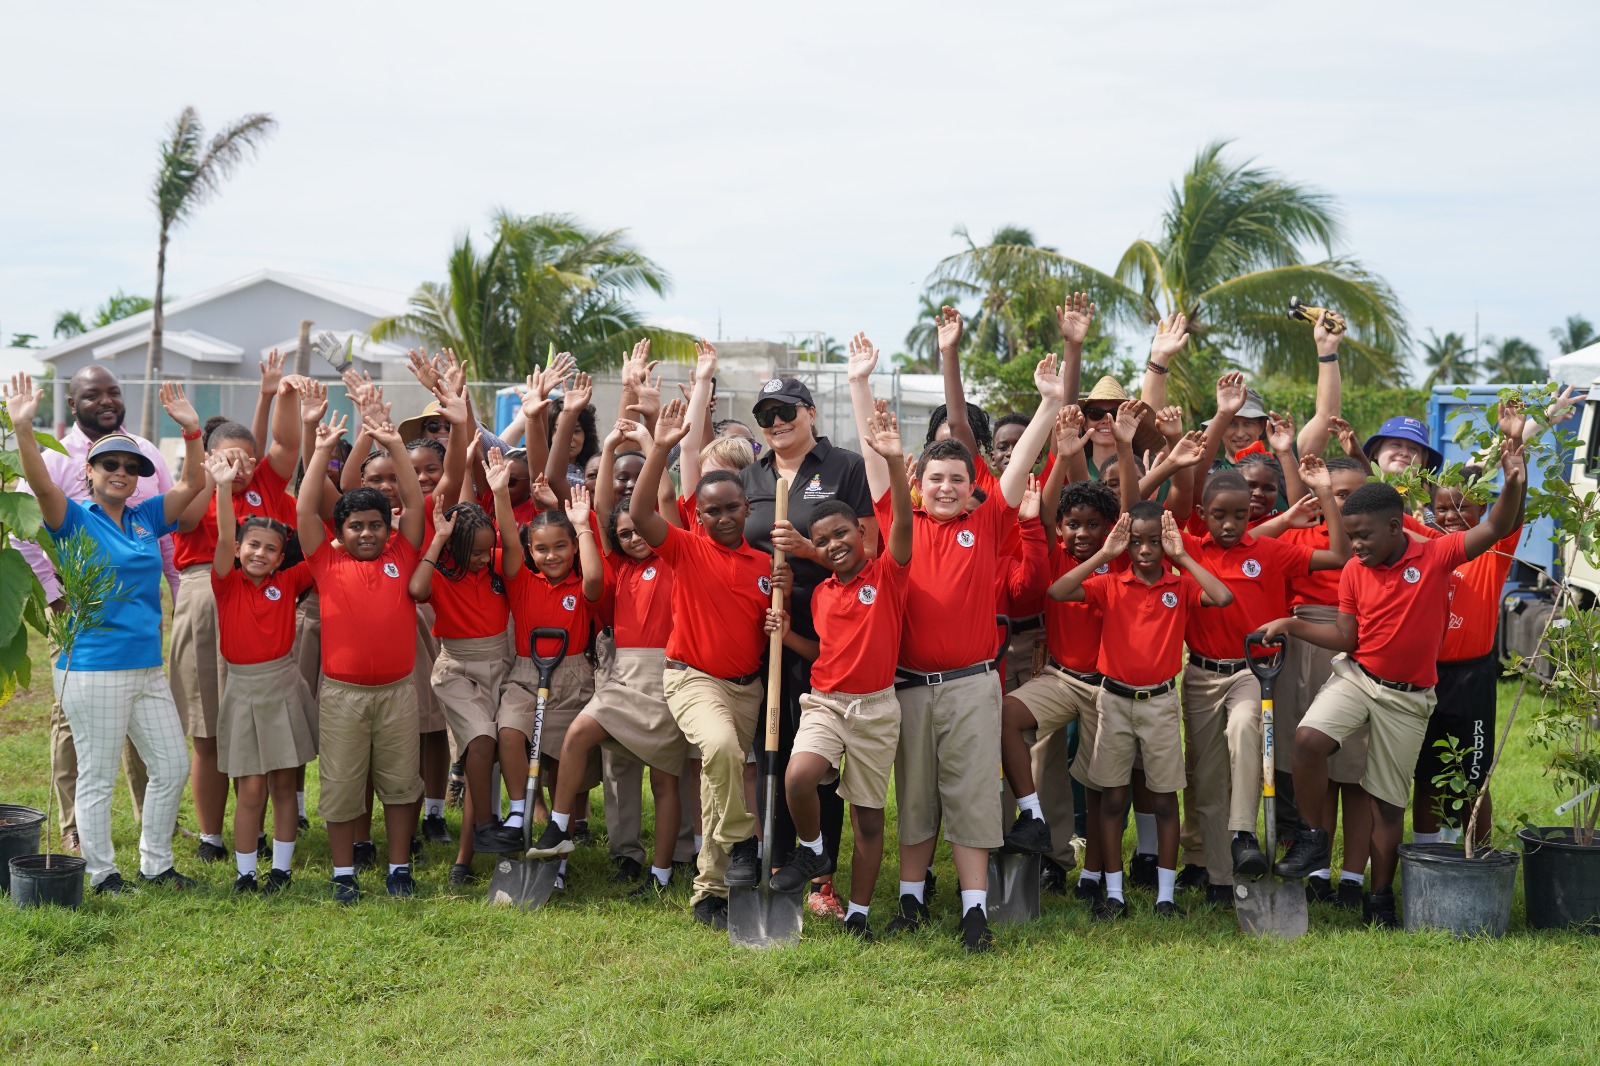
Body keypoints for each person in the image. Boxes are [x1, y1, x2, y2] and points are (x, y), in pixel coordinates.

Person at [1267, 437, 1526, 929]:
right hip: (1358, 677)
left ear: (1394, 526)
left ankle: (1381, 897)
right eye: (1349, 536)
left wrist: (1514, 480)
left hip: (1408, 700)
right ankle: (1312, 836)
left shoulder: (1436, 555)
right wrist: (1292, 624)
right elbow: (1346, 635)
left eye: (1362, 536)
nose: (1355, 546)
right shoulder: (1354, 572)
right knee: (1307, 739)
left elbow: (1494, 525)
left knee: (1388, 805)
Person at [868, 347, 1061, 953]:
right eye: (935, 480)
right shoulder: (901, 527)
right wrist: (857, 381)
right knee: (917, 796)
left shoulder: (988, 526)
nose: (947, 487)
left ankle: (975, 912)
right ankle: (910, 899)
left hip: (975, 683)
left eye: (957, 480)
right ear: (918, 488)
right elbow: (882, 474)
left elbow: (1019, 461)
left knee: (973, 794)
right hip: (910, 684)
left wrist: (1051, 403)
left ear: (970, 488)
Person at [4, 373, 210, 894]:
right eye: (110, 464)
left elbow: (192, 487)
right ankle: (101, 872)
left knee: (171, 764)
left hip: (146, 666)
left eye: (130, 467)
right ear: (90, 471)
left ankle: (155, 863)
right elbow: (41, 483)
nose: (121, 472)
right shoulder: (72, 517)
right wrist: (23, 429)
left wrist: (191, 433)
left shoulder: (144, 518)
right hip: (93, 666)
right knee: (97, 777)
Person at [629, 398, 785, 930]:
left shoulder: (767, 565)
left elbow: (768, 626)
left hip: (749, 688)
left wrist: (777, 616)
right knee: (718, 751)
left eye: (731, 509)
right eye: (711, 510)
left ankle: (710, 891)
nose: (721, 518)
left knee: (720, 784)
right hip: (693, 679)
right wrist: (662, 449)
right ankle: (743, 839)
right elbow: (641, 513)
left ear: (748, 510)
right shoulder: (685, 549)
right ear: (699, 514)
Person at [764, 403, 912, 941]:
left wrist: (894, 463)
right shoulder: (824, 593)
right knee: (798, 777)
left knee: (868, 819)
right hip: (824, 701)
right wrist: (785, 632)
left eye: (841, 535)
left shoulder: (887, 575)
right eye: (822, 541)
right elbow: (823, 649)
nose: (833, 546)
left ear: (860, 533)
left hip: (875, 708)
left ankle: (860, 914)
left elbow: (900, 530)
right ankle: (810, 851)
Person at [737, 354, 876, 921]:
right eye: (766, 414)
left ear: (810, 413)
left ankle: (821, 876)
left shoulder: (843, 467)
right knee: (766, 748)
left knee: (816, 758)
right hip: (760, 627)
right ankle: (772, 861)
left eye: (785, 410)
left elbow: (865, 547)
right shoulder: (752, 475)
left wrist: (807, 551)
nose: (775, 422)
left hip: (826, 629)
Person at [11, 363, 170, 853]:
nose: (105, 401)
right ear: (73, 403)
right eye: (92, 394)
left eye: (114, 392)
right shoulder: (58, 460)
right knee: (75, 727)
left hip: (136, 625)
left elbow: (166, 525)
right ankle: (74, 826)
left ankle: (150, 821)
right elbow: (25, 524)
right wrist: (55, 593)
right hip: (81, 620)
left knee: (147, 734)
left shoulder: (144, 453)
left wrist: (177, 592)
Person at [1049, 504, 1234, 920]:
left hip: (1161, 704)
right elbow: (1058, 592)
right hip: (1113, 701)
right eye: (1136, 542)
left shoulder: (1180, 585)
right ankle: (1113, 893)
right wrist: (1104, 553)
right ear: (1125, 544)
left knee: (1166, 801)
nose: (1146, 550)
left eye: (1154, 542)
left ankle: (1165, 897)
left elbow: (1222, 597)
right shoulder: (1111, 584)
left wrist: (1182, 555)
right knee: (1112, 799)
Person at [1175, 462, 1348, 904]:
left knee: (1245, 725)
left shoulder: (1270, 551)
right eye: (1219, 515)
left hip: (1255, 671)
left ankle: (1242, 836)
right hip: (1200, 675)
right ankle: (1219, 877)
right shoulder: (1189, 550)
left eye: (1238, 515)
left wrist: (1327, 494)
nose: (1230, 524)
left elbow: (1340, 556)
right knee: (1210, 780)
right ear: (1203, 513)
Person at [170, 353, 302, 863]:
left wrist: (275, 392)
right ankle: (211, 836)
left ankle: (259, 828)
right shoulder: (199, 486)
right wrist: (208, 475)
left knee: (259, 725)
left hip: (263, 600)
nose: (240, 466)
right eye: (227, 457)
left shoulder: (267, 482)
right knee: (208, 728)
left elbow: (285, 444)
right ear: (208, 458)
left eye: (246, 458)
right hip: (208, 593)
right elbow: (180, 523)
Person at [298, 411, 428, 903]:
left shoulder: (403, 553)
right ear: (341, 530)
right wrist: (322, 452)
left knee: (399, 782)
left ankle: (398, 868)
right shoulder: (325, 561)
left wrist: (395, 446)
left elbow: (414, 504)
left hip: (397, 692)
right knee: (341, 785)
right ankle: (343, 873)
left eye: (376, 525)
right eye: (356, 526)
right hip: (342, 695)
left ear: (389, 528)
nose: (368, 534)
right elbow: (305, 512)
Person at [1251, 456, 1373, 906]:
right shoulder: (1301, 533)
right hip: (1306, 643)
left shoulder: (1378, 541)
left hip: (1361, 649)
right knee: (1313, 767)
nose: (1343, 502)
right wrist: (1290, 516)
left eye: (1352, 494)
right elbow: (1247, 543)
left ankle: (1354, 878)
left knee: (1355, 774)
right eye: (1336, 493)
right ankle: (1319, 870)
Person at [205, 452, 316, 893]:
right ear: (237, 549)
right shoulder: (224, 581)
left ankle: (282, 871)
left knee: (285, 784)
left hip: (283, 686)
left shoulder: (288, 583)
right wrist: (222, 486)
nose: (260, 553)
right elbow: (224, 532)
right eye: (253, 545)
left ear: (279, 559)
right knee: (250, 789)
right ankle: (245, 873)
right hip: (242, 690)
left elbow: (320, 547)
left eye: (271, 549)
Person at [493, 474, 604, 891]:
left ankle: (557, 855)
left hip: (572, 674)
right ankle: (519, 810)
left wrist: (582, 526)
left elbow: (594, 579)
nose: (552, 556)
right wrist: (501, 493)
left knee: (561, 770)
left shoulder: (581, 583)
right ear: (529, 551)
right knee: (508, 731)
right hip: (526, 673)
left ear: (573, 548)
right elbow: (507, 533)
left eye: (561, 547)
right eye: (541, 548)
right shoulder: (522, 580)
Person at [409, 494, 519, 886]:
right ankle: (487, 824)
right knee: (481, 742)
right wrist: (438, 539)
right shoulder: (440, 573)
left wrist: (501, 496)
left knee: (483, 755)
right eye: (474, 552)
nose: (483, 558)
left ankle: (466, 859)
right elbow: (416, 588)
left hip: (501, 668)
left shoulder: (496, 570)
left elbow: (513, 556)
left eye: (488, 550)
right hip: (457, 670)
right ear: (455, 548)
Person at [1412, 462, 1524, 846]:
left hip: (1471, 678)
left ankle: (1479, 855)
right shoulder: (1427, 542)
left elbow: (1510, 517)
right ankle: (1426, 854)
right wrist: (1361, 457)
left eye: (1462, 507)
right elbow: (1383, 510)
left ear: (1482, 508)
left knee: (1472, 776)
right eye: (1441, 508)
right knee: (1425, 772)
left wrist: (1515, 476)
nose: (1451, 516)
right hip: (1425, 674)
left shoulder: (1492, 548)